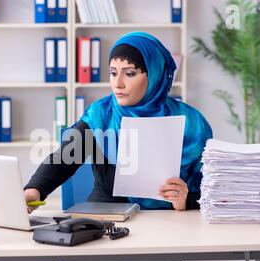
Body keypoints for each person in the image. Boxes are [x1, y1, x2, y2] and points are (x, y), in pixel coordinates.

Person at [24, 31, 213, 214]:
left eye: (129, 73)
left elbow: (214, 189)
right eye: (113, 73)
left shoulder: (193, 124)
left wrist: (186, 200)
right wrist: (34, 190)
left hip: (171, 222)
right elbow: (63, 160)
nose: (118, 83)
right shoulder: (101, 114)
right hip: (108, 218)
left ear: (155, 74)